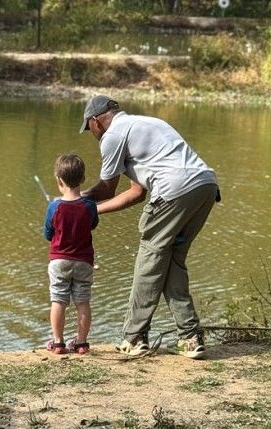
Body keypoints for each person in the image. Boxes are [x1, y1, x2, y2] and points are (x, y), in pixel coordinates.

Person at [80, 95, 219, 359]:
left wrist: (76, 201)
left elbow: (106, 187)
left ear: (96, 121)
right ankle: (190, 338)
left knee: (150, 259)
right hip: (205, 187)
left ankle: (134, 337)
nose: (92, 135)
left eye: (89, 128)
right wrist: (92, 210)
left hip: (173, 191)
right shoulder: (148, 124)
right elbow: (136, 193)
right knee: (172, 261)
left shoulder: (112, 136)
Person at [43, 153, 99, 355]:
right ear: (83, 179)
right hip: (84, 261)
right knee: (82, 301)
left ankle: (58, 342)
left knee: (58, 300)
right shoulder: (89, 206)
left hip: (59, 261)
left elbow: (48, 234)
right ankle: (81, 343)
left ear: (59, 180)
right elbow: (93, 224)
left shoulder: (54, 207)